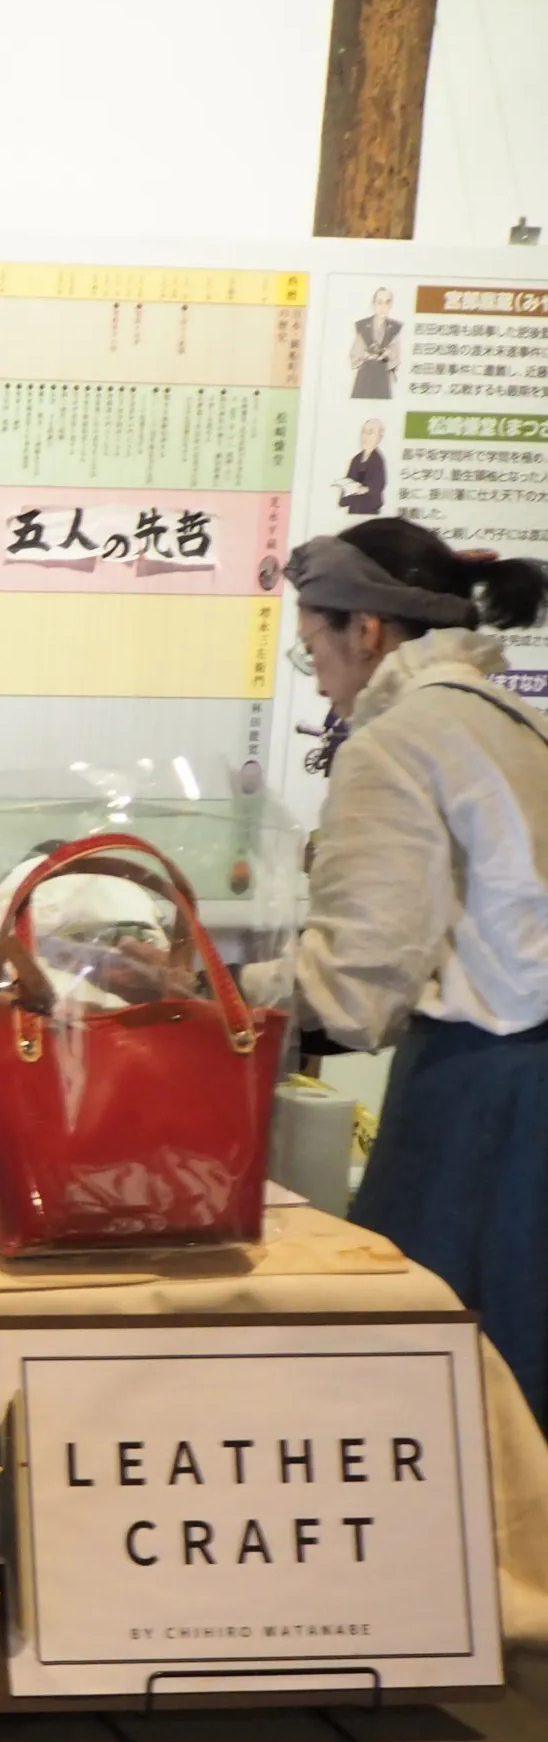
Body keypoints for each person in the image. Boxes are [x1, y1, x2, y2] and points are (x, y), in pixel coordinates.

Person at [245, 520, 548, 1409]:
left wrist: (212, 990)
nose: (321, 681)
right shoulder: (517, 722)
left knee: (436, 1385)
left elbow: (354, 985)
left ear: (367, 630)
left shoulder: (394, 742)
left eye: (314, 648)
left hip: (487, 1093)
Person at [348, 289, 402, 401]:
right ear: (373, 304)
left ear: (391, 304)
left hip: (384, 376)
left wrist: (387, 355)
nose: (383, 307)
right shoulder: (363, 325)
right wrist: (369, 356)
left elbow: (396, 356)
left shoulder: (395, 327)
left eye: (387, 302)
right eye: (379, 302)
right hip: (364, 376)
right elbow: (355, 354)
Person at [339, 418, 388, 515]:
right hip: (354, 508)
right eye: (363, 432)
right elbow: (349, 479)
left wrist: (365, 489)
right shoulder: (356, 459)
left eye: (370, 433)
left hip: (369, 509)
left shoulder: (378, 460)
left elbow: (380, 483)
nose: (365, 437)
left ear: (379, 437)